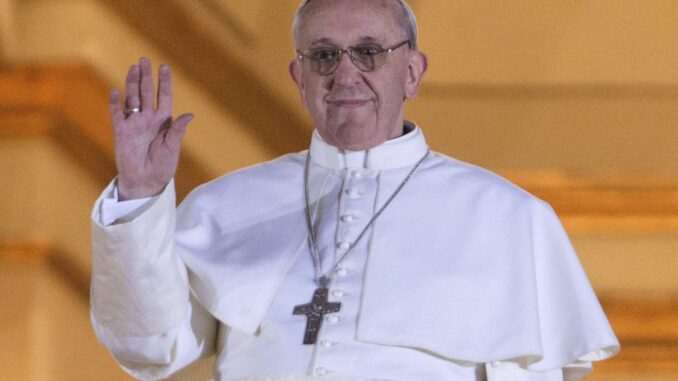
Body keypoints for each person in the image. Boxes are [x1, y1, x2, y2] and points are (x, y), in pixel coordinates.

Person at [90, 1, 619, 380]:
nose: (344, 74)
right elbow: (149, 349)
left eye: (369, 52)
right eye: (322, 56)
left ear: (411, 73)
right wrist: (140, 194)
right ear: (298, 76)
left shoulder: (509, 219)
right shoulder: (223, 207)